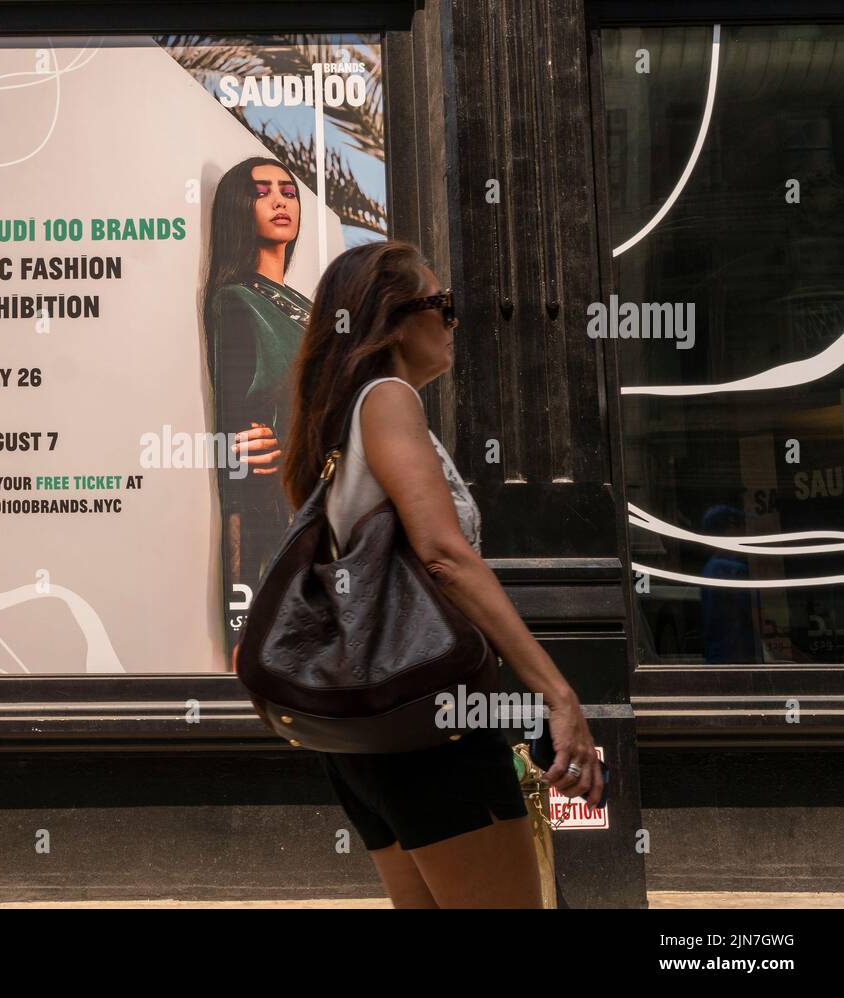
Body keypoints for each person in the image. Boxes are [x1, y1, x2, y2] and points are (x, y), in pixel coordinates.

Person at [279, 241, 604, 908]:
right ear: (394, 319)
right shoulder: (388, 398)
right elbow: (444, 555)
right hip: (432, 730)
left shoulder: (335, 420)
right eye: (443, 306)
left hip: (367, 736)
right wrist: (557, 691)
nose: (453, 322)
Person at [202, 156, 313, 646]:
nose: (278, 200)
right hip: (282, 515)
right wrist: (239, 614)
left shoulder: (306, 306)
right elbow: (241, 460)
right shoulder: (237, 302)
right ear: (238, 208)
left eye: (287, 191)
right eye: (262, 191)